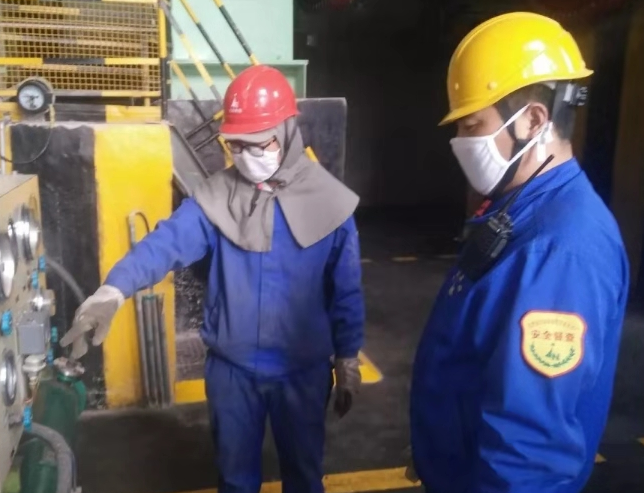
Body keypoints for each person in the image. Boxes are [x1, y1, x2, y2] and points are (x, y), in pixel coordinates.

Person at [60, 65, 365, 493]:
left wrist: (347, 357)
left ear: (288, 131)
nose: (247, 155)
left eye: (259, 143)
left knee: (304, 477)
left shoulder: (330, 203)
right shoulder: (216, 197)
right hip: (231, 373)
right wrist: (114, 288)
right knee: (235, 481)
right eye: (236, 144)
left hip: (302, 372)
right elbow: (165, 243)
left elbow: (346, 290)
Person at [410, 12, 629, 493]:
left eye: (473, 125)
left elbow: (529, 454)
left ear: (533, 120)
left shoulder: (563, 250)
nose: (461, 142)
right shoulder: (521, 207)